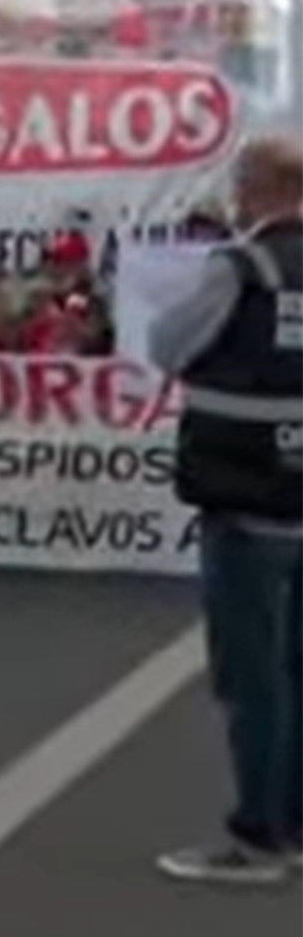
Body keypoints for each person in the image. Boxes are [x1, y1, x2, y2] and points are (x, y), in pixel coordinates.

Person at [150, 137, 303, 886]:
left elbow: (170, 345)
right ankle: (296, 824)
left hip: (247, 494)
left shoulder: (240, 267)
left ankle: (257, 837)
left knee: (253, 676)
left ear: (259, 188)